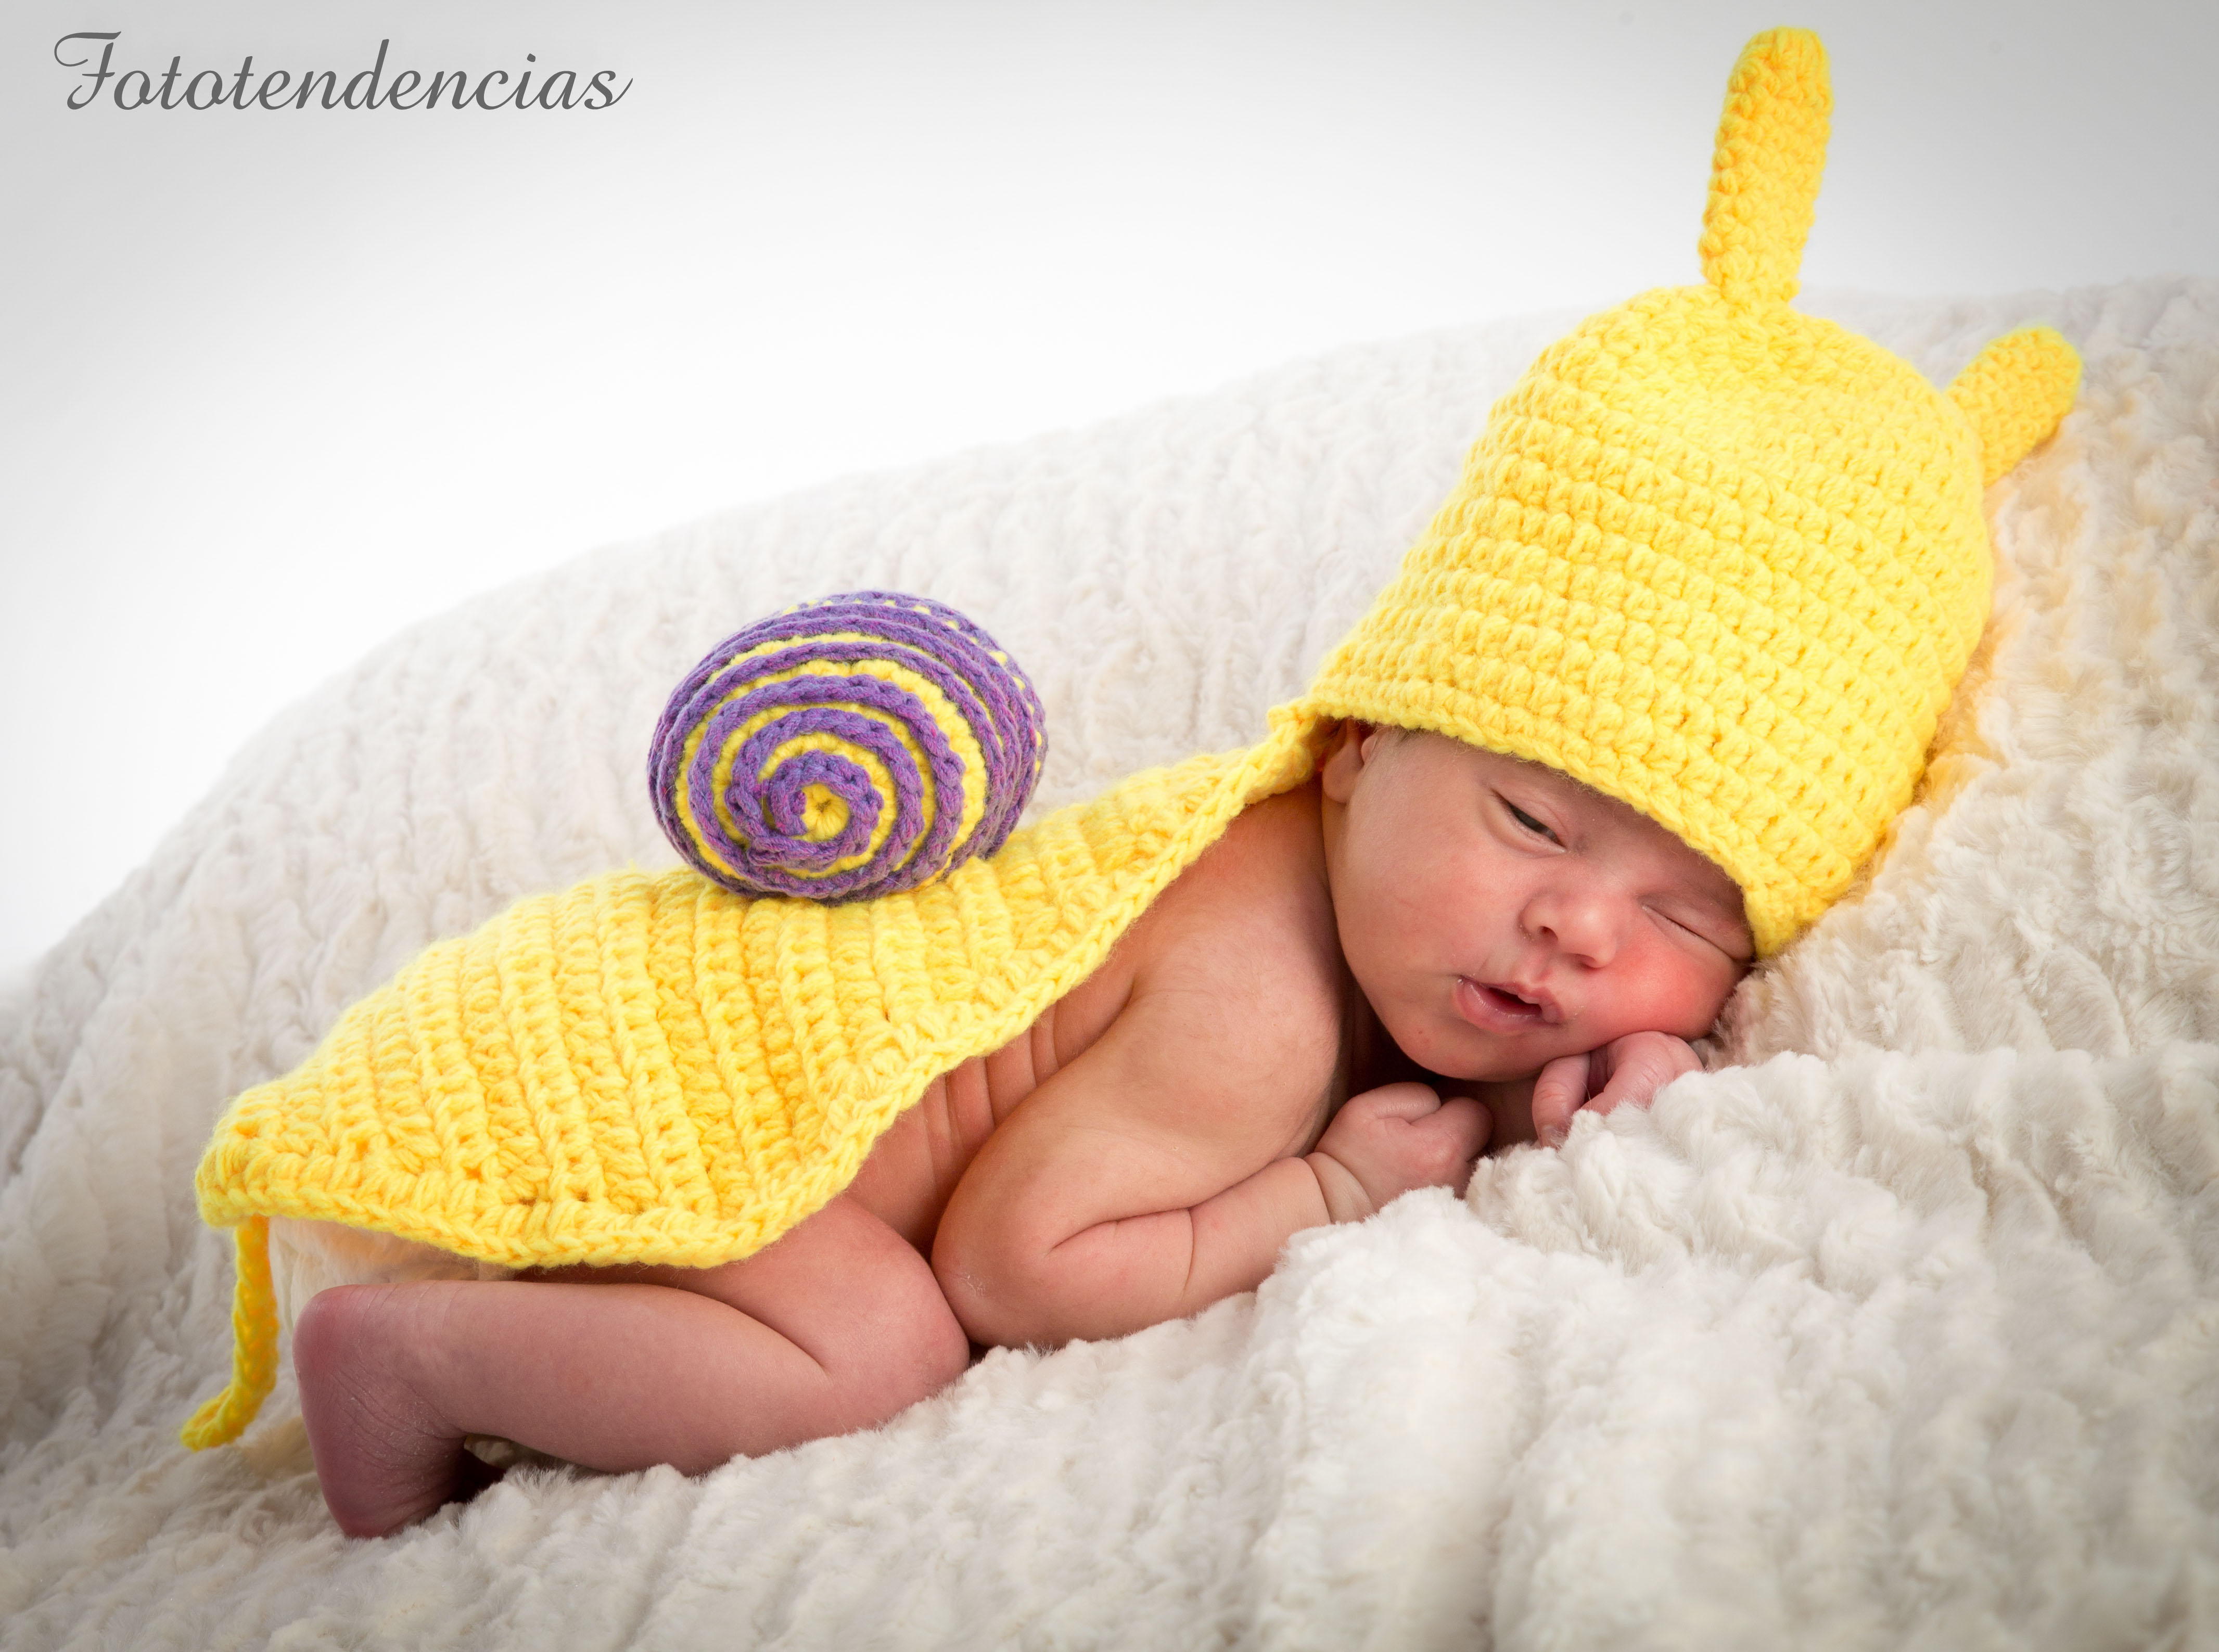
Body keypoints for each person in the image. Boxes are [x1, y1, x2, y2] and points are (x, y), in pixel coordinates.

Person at [182, 28, 2082, 1537]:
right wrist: (1329, 1188)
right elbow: (1024, 1264)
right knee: (875, 1344)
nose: (1582, 927)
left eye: (1686, 913)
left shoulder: (1393, 937)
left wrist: (1576, 1093)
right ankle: (408, 1359)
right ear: (1354, 753)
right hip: (668, 1106)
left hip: (664, 1096)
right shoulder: (1257, 986)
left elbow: (1483, 1054)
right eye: (1531, 820)